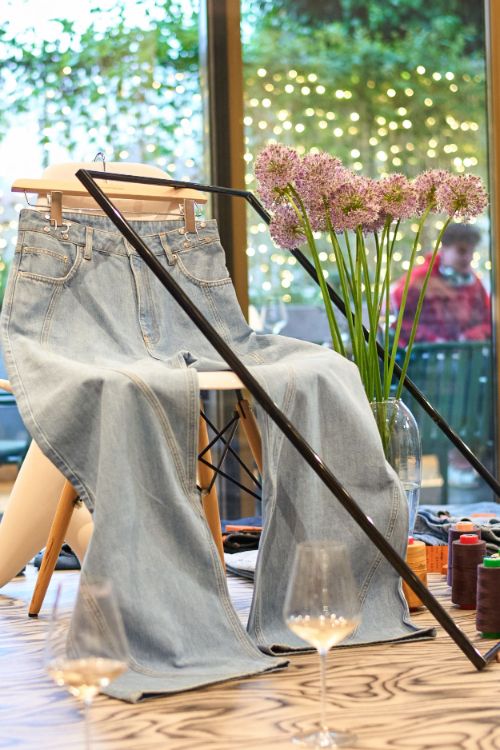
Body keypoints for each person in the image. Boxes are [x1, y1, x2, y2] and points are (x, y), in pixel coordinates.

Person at [391, 223, 491, 346]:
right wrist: (434, 340)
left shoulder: (474, 283)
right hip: (425, 354)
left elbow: (489, 320)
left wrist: (470, 336)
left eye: (471, 252)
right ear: (444, 249)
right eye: (461, 251)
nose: (468, 258)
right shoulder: (419, 280)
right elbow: (400, 322)